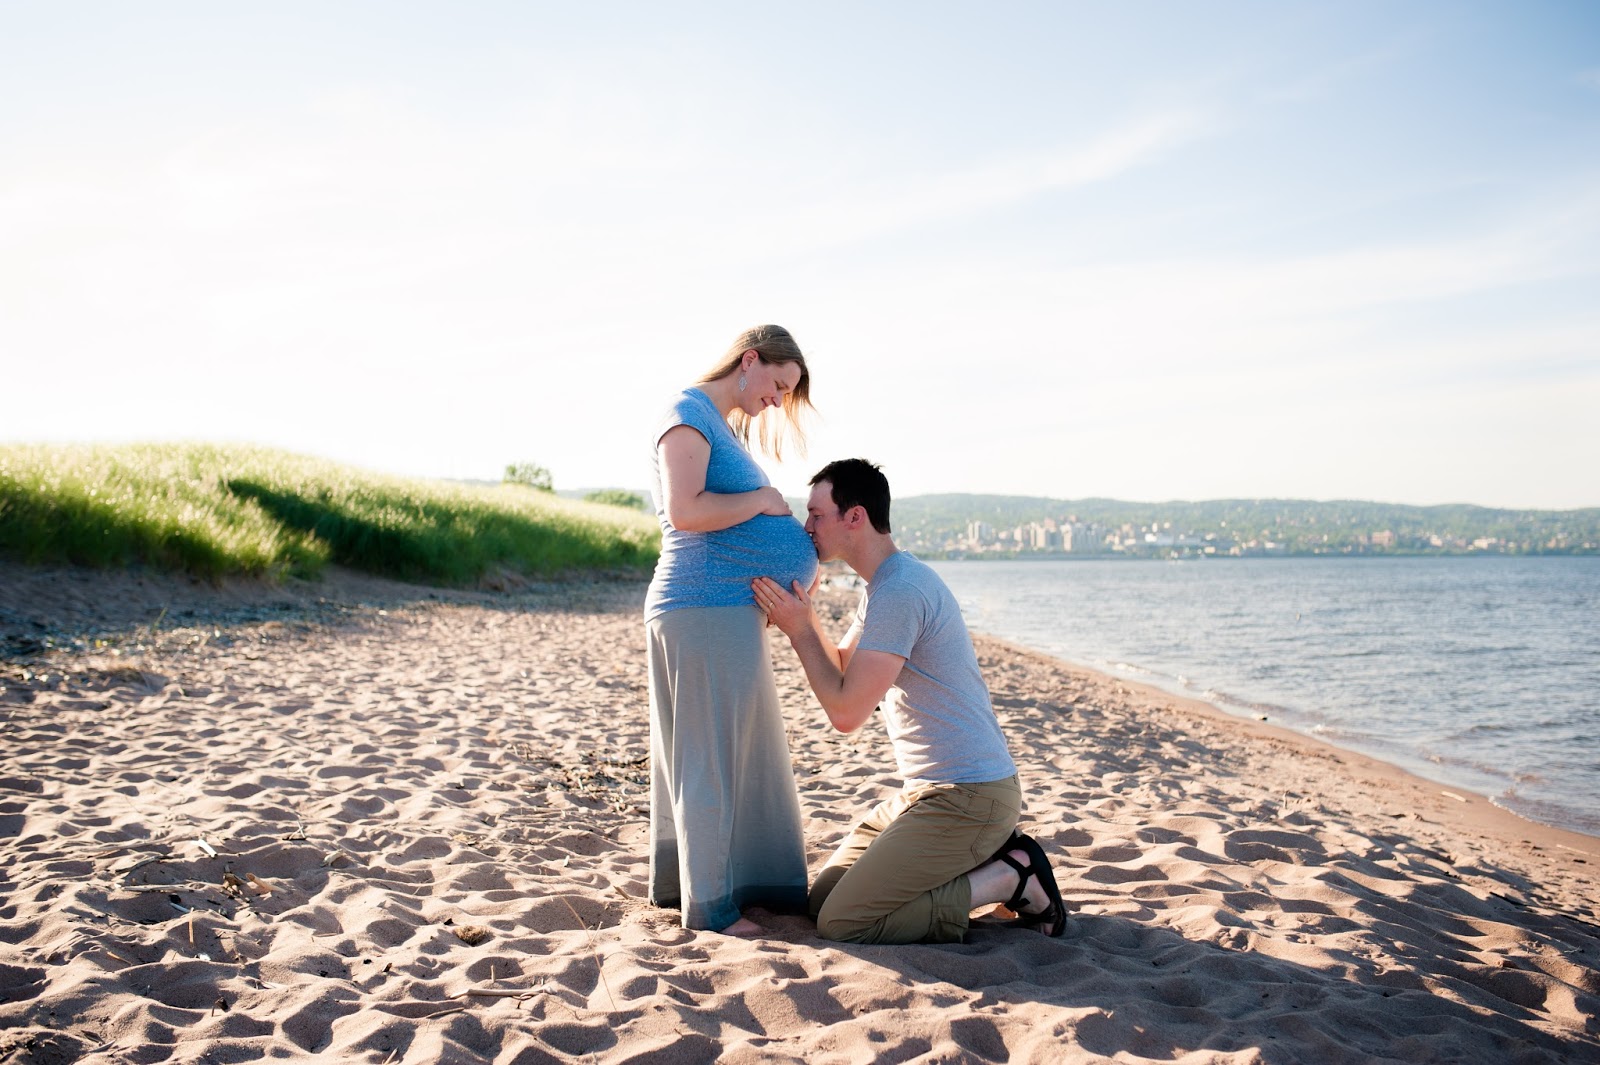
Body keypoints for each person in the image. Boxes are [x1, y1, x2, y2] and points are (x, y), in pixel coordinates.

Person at [752, 458, 1067, 945]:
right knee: (823, 901)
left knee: (845, 921)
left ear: (854, 517)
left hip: (970, 796)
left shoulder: (900, 590)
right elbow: (841, 666)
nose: (806, 526)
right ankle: (979, 859)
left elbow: (847, 713)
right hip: (929, 793)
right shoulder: (884, 585)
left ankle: (1011, 877)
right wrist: (806, 616)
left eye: (816, 514)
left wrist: (799, 632)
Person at [644, 324, 819, 936]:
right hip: (700, 606)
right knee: (709, 758)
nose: (778, 399)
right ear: (750, 360)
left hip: (723, 610)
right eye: (779, 384)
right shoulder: (687, 415)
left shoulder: (717, 423)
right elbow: (685, 511)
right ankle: (711, 909)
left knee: (735, 754)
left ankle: (725, 886)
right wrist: (763, 500)